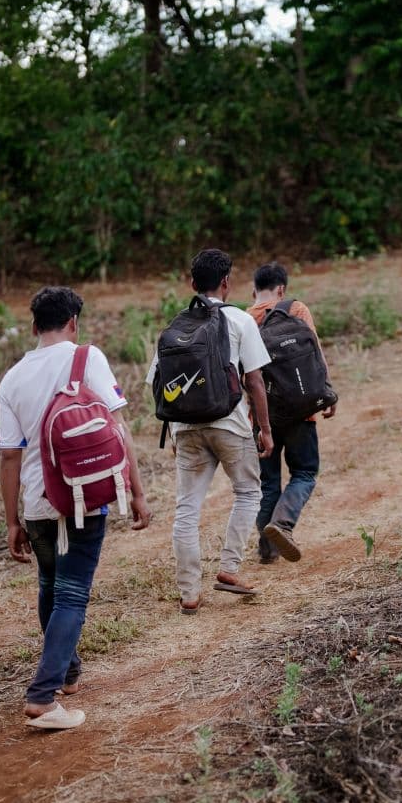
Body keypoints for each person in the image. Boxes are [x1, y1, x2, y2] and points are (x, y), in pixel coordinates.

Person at [0, 286, 151, 730]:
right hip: (84, 496)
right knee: (71, 593)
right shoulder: (87, 358)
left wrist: (12, 520)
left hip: (37, 503)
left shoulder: (12, 378)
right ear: (73, 324)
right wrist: (137, 492)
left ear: (32, 328)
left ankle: (67, 674)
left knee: (50, 584)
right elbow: (118, 428)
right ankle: (42, 697)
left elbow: (9, 456)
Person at [147, 249, 273, 614]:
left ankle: (189, 593)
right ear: (226, 283)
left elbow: (158, 383)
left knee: (186, 509)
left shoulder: (175, 327)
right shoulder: (238, 320)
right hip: (230, 423)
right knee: (249, 492)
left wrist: (174, 432)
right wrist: (264, 429)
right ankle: (230, 569)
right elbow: (255, 380)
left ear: (191, 285)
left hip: (185, 429)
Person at [248, 262, 336, 564]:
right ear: (281, 288)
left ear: (253, 290)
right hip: (301, 412)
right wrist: (328, 392)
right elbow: (315, 354)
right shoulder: (295, 309)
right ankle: (282, 524)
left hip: (261, 418)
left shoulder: (243, 320)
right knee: (305, 472)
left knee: (268, 483)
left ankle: (267, 548)